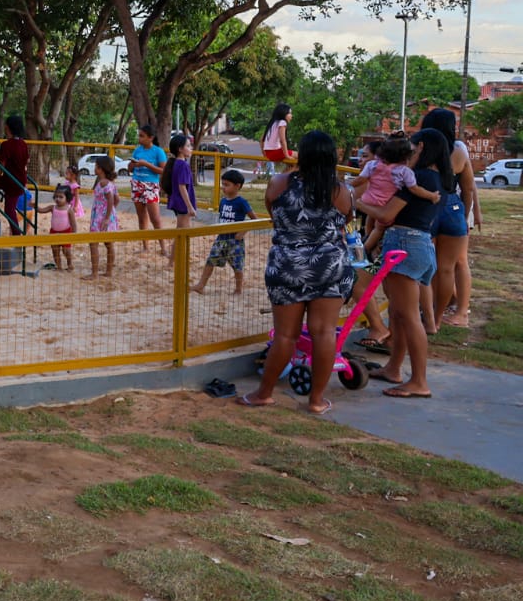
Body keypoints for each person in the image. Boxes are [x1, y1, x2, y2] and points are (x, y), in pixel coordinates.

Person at [242, 130, 355, 415]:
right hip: (329, 267)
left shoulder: (279, 183)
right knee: (325, 332)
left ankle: (263, 393)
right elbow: (346, 219)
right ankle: (316, 400)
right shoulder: (340, 191)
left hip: (287, 266)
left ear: (301, 155)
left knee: (285, 336)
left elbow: (273, 212)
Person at [357, 129, 447, 399]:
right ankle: (394, 369)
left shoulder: (419, 177)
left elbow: (386, 214)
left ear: (420, 147)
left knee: (408, 316)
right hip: (416, 245)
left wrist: (358, 203)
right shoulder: (436, 178)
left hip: (405, 244)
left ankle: (419, 381)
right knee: (397, 312)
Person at [419, 108, 480, 329]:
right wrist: (464, 215)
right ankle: (437, 319)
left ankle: (425, 311)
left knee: (429, 265)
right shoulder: (459, 150)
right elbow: (468, 187)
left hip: (428, 205)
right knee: (447, 268)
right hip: (453, 206)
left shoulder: (423, 146)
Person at [349, 136, 437, 256]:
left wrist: (346, 185)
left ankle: (367, 236)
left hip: (368, 199)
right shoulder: (404, 172)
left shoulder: (373, 165)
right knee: (379, 228)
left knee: (371, 219)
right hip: (384, 203)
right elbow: (415, 189)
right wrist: (432, 196)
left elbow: (360, 179)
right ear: (406, 157)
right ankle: (365, 250)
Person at [191, 169, 257, 295]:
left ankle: (238, 289)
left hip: (235, 241)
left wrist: (242, 232)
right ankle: (201, 285)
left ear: (237, 186)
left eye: (227, 185)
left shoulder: (242, 202)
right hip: (221, 239)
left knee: (237, 266)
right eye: (223, 184)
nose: (223, 188)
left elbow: (254, 220)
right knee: (210, 261)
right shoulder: (223, 201)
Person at [128, 124, 167, 253]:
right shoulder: (138, 150)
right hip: (137, 183)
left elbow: (163, 170)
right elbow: (130, 168)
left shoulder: (158, 151)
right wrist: (132, 164)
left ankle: (163, 247)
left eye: (142, 136)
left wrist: (146, 164)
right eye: (139, 135)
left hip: (150, 185)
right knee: (141, 217)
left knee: (155, 219)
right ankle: (145, 247)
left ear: (151, 138)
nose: (139, 138)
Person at [85, 156, 121, 279]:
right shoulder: (111, 183)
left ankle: (94, 273)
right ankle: (108, 271)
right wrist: (111, 214)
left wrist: (105, 216)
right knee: (109, 244)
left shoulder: (103, 183)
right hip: (108, 217)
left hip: (100, 218)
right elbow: (117, 199)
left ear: (101, 169)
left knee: (93, 243)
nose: (94, 168)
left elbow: (111, 199)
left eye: (96, 166)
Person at [0, 113, 31, 236]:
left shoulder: (6, 145)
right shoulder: (23, 144)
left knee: (9, 208)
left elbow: (1, 164)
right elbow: (27, 161)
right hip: (20, 179)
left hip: (10, 181)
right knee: (10, 206)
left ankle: (16, 234)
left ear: (8, 127)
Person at [165, 133, 197, 240]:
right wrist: (190, 206)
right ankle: (174, 257)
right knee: (181, 234)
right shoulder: (183, 165)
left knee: (182, 233)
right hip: (182, 203)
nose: (190, 148)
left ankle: (177, 256)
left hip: (177, 202)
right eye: (188, 146)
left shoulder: (176, 163)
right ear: (180, 149)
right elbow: (182, 186)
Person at [36, 185, 76, 270]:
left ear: (67, 198)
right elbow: (41, 210)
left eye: (61, 197)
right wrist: (35, 206)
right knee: (55, 250)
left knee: (66, 251)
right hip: (54, 232)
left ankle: (70, 264)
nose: (58, 199)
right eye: (56, 197)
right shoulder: (52, 207)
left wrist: (74, 234)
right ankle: (59, 267)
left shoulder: (69, 209)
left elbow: (73, 223)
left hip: (66, 232)